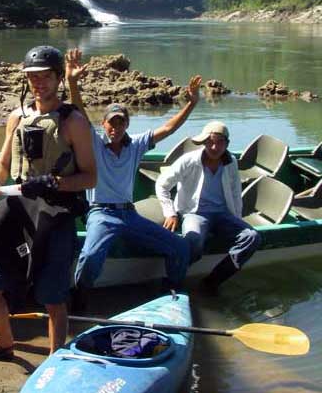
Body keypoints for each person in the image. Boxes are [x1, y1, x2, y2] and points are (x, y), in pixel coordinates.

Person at [0, 45, 96, 360]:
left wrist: (54, 183)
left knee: (53, 299)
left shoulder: (73, 121)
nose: (39, 83)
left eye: (45, 76)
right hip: (18, 213)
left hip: (55, 215)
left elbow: (91, 177)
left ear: (58, 78)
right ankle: (4, 342)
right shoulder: (17, 117)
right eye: (33, 77)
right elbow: (3, 163)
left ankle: (55, 359)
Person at [66, 49, 200, 308]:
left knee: (180, 248)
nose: (115, 128)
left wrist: (191, 104)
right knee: (91, 255)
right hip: (101, 213)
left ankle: (170, 293)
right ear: (103, 124)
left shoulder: (136, 144)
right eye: (111, 123)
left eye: (121, 123)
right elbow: (78, 112)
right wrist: (72, 82)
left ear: (127, 124)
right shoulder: (94, 142)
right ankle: (80, 296)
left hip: (129, 214)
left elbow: (168, 128)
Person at [155, 121, 261, 293]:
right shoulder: (189, 160)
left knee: (252, 237)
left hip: (223, 214)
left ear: (227, 144)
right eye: (210, 142)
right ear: (204, 142)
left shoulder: (231, 162)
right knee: (194, 240)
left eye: (220, 143)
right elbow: (162, 184)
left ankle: (212, 282)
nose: (214, 147)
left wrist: (237, 220)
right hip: (194, 213)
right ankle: (172, 282)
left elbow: (236, 193)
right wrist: (170, 213)